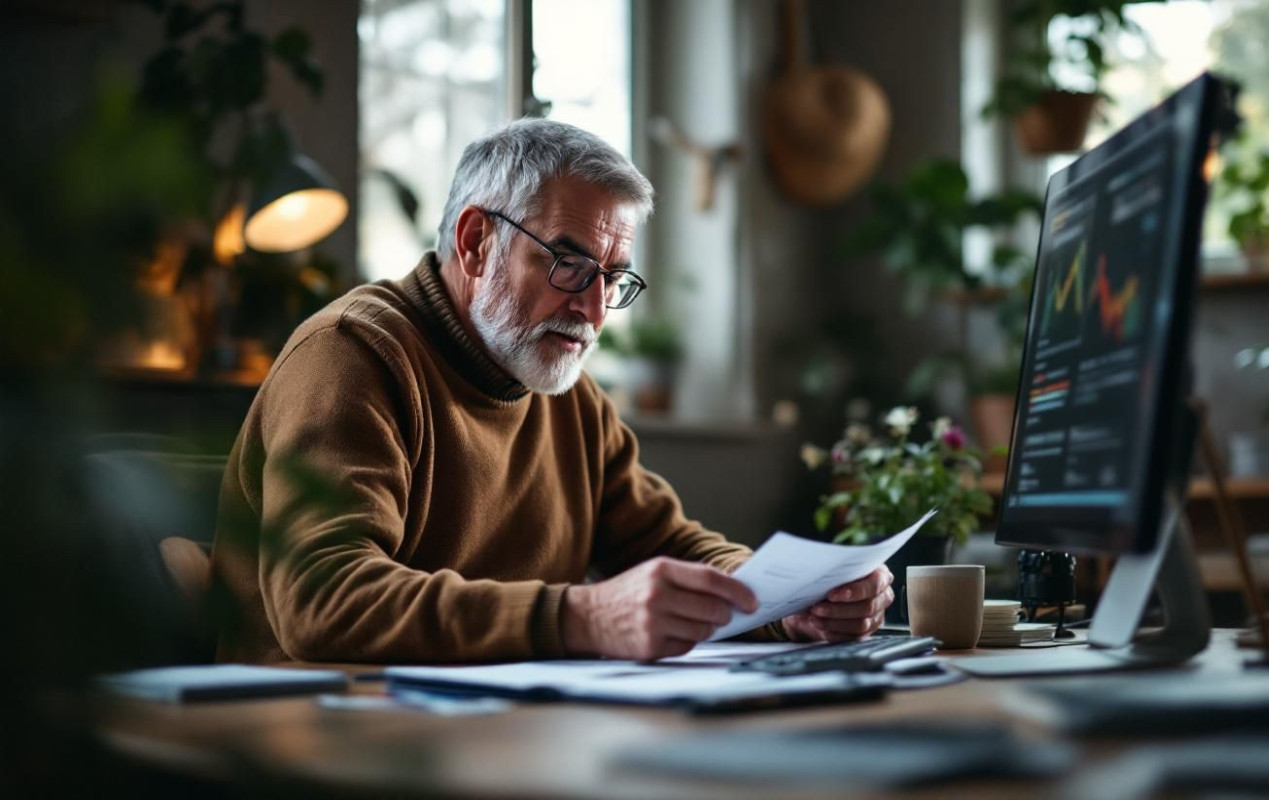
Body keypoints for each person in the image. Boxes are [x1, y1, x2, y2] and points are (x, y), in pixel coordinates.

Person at [211, 119, 892, 664]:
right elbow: (324, 599)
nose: (595, 310)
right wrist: (581, 616)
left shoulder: (570, 398)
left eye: (613, 277)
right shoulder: (351, 356)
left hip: (497, 731)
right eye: (569, 263)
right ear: (477, 241)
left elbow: (668, 546)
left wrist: (786, 602)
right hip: (321, 738)